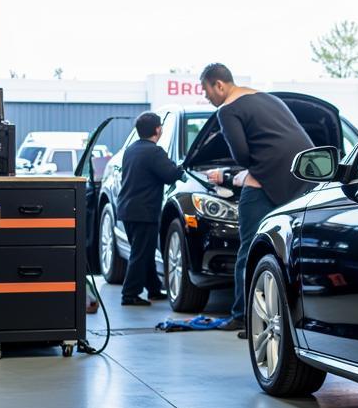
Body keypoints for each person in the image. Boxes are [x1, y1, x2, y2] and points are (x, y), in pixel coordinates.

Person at [200, 63, 313, 332]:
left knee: (249, 250)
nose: (206, 98)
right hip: (302, 177)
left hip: (264, 181)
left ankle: (242, 314)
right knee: (290, 250)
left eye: (206, 91)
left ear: (219, 85)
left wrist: (241, 174)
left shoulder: (227, 109)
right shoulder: (268, 98)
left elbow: (241, 154)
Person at [117, 111, 184, 307]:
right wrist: (182, 170)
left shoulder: (131, 150)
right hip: (144, 211)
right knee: (140, 254)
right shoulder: (155, 152)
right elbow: (170, 174)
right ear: (158, 129)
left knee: (143, 252)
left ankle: (154, 289)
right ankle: (129, 294)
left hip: (128, 210)